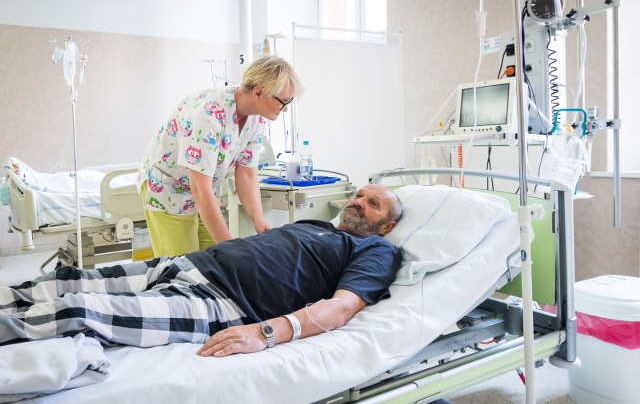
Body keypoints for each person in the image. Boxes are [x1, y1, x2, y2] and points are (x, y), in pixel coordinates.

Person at [0, 184, 403, 357]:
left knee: (79, 311)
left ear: (386, 226)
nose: (358, 202)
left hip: (216, 303)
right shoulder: (318, 226)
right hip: (182, 264)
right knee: (65, 280)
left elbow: (341, 309)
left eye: (373, 204)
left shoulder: (376, 250)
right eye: (359, 195)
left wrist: (267, 333)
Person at [137, 55, 304, 257]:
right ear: (259, 92)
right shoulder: (208, 116)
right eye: (284, 101)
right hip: (169, 187)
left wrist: (257, 218)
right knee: (182, 268)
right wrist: (230, 247)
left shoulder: (256, 120)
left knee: (215, 261)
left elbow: (247, 172)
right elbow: (200, 188)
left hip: (204, 190)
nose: (286, 108)